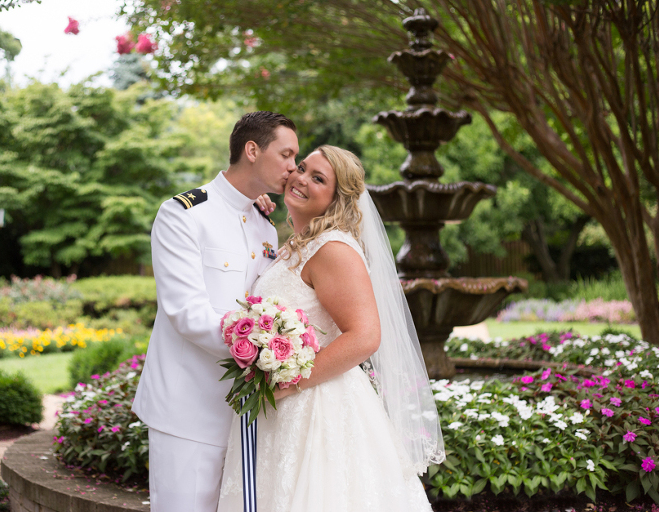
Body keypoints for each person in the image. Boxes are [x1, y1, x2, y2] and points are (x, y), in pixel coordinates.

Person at [218, 145, 445, 512]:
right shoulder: (296, 244)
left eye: (318, 178)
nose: (301, 178)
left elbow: (365, 335)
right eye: (302, 167)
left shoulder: (333, 248)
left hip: (318, 407)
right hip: (282, 406)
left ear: (337, 199)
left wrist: (291, 381)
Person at [132, 111, 299, 512]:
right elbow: (186, 312)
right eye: (288, 154)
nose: (294, 167)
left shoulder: (265, 224)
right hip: (188, 407)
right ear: (253, 150)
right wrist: (266, 352)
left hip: (248, 410)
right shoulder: (184, 213)